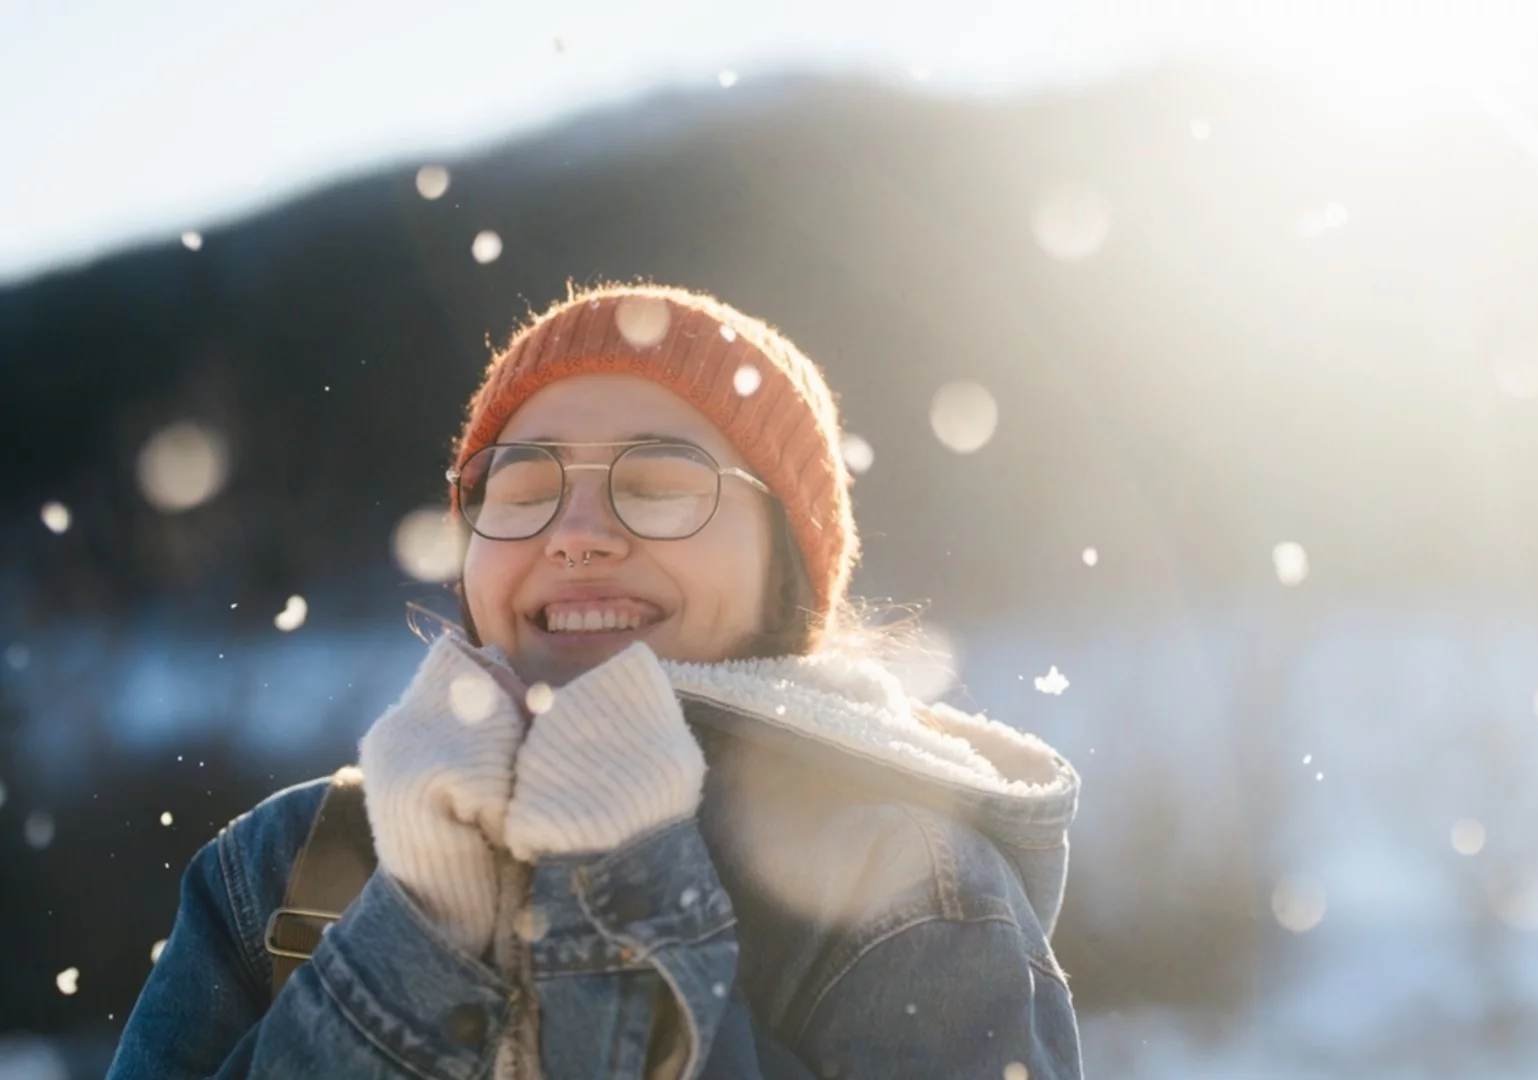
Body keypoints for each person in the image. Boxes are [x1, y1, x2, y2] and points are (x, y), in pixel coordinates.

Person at [106, 283, 1082, 1079]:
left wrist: (618, 890)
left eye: (658, 486)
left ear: (784, 566)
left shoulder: (905, 878)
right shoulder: (286, 861)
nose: (575, 536)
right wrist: (419, 929)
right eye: (523, 490)